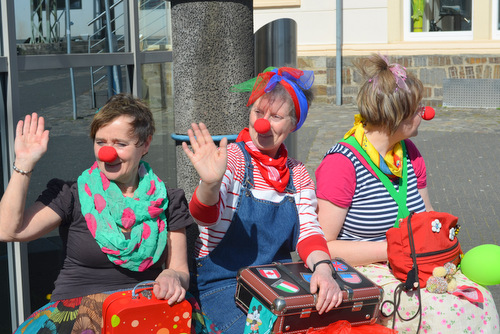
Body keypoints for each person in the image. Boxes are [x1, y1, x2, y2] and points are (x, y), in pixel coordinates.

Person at [315, 54, 499, 333]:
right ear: (396, 116)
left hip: (412, 263)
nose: (424, 114)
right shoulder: (341, 164)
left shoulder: (410, 155)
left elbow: (427, 216)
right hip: (362, 270)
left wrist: (440, 246)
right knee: (437, 312)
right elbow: (324, 245)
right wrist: (393, 251)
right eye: (417, 109)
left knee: (478, 300)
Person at [0, 93, 194, 333]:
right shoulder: (71, 194)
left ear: (145, 144)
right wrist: (24, 164)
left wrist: (172, 276)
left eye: (120, 144)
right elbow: (9, 230)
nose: (107, 153)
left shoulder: (168, 199)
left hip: (140, 309)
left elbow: (180, 270)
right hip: (79, 313)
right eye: (101, 142)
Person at [182, 67, 343, 334]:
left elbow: (308, 233)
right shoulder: (231, 158)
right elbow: (204, 216)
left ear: (293, 124)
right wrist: (210, 183)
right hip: (225, 284)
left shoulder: (298, 173)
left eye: (276, 116)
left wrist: (324, 269)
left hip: (277, 283)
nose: (263, 124)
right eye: (258, 113)